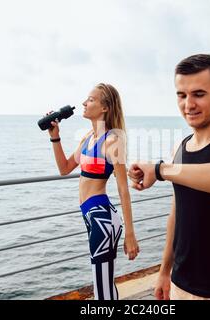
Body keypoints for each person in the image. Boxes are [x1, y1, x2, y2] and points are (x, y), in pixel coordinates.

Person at [128, 54, 210, 300]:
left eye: (198, 94)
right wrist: (164, 271)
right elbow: (177, 213)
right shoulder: (180, 148)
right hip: (182, 285)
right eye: (181, 95)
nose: (188, 104)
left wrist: (160, 170)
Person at [47, 83, 139, 300]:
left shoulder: (113, 140)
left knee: (103, 290)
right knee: (103, 289)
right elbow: (65, 168)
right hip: (92, 216)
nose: (84, 103)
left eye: (90, 100)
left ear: (105, 107)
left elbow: (123, 190)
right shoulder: (88, 137)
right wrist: (54, 136)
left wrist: (130, 235)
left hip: (102, 220)